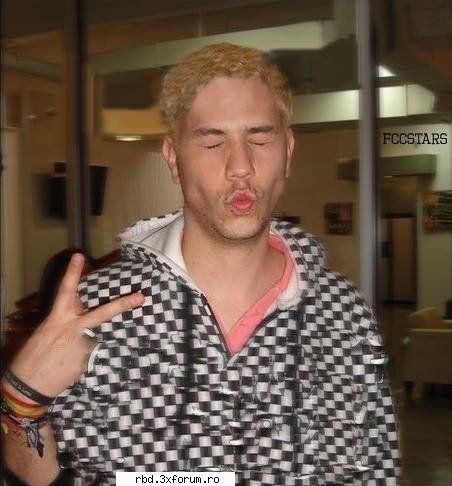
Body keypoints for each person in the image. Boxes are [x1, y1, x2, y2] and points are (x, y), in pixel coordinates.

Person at [1, 43, 400, 485]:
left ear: (287, 151)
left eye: (260, 138)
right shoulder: (95, 310)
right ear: (174, 159)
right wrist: (21, 398)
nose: (241, 166)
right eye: (212, 141)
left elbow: (375, 470)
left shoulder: (344, 314)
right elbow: (49, 476)